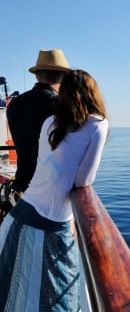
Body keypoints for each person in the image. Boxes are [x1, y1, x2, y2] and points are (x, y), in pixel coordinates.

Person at [0, 69, 109, 310]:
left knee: (15, 293)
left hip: (19, 215)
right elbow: (84, 181)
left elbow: (43, 166)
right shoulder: (98, 124)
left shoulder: (50, 122)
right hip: (50, 221)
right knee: (56, 298)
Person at [6, 49, 70, 200]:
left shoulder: (15, 103)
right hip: (49, 190)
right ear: (63, 77)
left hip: (22, 185)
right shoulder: (60, 104)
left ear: (36, 75)